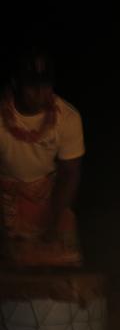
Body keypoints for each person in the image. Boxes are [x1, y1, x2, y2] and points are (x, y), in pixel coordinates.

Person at [0, 51, 84, 267]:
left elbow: (70, 173)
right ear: (15, 83)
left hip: (47, 200)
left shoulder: (67, 118)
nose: (40, 93)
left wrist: (54, 220)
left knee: (64, 255)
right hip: (4, 199)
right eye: (32, 86)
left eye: (45, 85)